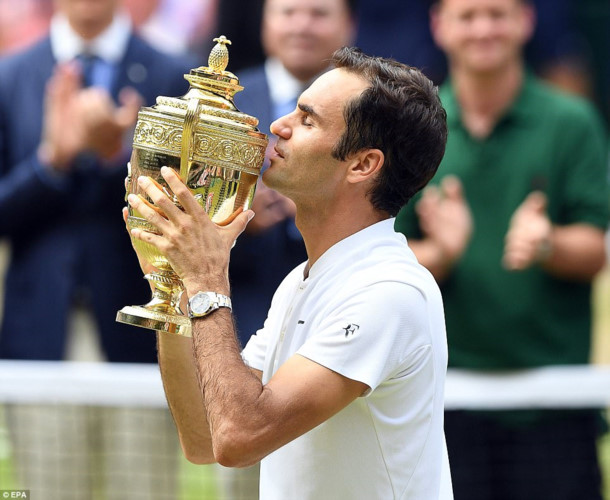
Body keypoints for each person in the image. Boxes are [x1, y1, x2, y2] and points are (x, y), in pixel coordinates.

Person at [126, 47, 453, 499]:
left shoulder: (389, 293)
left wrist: (207, 280)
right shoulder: (302, 281)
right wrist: (177, 282)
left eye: (307, 119)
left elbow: (239, 435)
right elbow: (205, 437)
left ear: (363, 165)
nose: (278, 126)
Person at [395, 0, 608, 499]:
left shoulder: (572, 121)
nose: (484, 28)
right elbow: (383, 260)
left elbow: (596, 249)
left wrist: (548, 243)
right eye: (468, 16)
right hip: (441, 403)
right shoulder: (408, 128)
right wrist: (442, 254)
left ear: (526, 22)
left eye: (498, 13)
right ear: (440, 26)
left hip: (554, 406)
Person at [0, 0, 196, 498]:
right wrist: (52, 163)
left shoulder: (173, 75)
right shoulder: (12, 75)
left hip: (140, 334)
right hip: (40, 331)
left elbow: (186, 213)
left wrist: (119, 161)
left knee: (144, 486)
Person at [230, 0, 357, 349]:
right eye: (288, 12)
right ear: (264, 22)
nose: (302, 26)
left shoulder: (372, 109)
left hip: (342, 317)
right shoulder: (224, 102)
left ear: (349, 24)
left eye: (319, 14)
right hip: (237, 314)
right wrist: (234, 209)